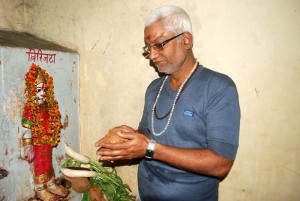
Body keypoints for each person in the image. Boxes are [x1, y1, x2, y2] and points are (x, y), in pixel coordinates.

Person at [95, 5, 240, 201]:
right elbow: (146, 134)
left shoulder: (219, 88)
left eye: (160, 44)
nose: (152, 56)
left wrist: (149, 148)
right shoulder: (155, 87)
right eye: (149, 48)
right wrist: (128, 143)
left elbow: (221, 164)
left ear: (186, 40)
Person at [22, 64, 69, 201]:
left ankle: (50, 183)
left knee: (48, 162)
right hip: (37, 143)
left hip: (47, 141)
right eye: (38, 89)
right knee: (40, 164)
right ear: (32, 90)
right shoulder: (30, 107)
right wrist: (28, 145)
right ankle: (40, 188)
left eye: (43, 89)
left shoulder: (48, 105)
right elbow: (27, 128)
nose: (42, 92)